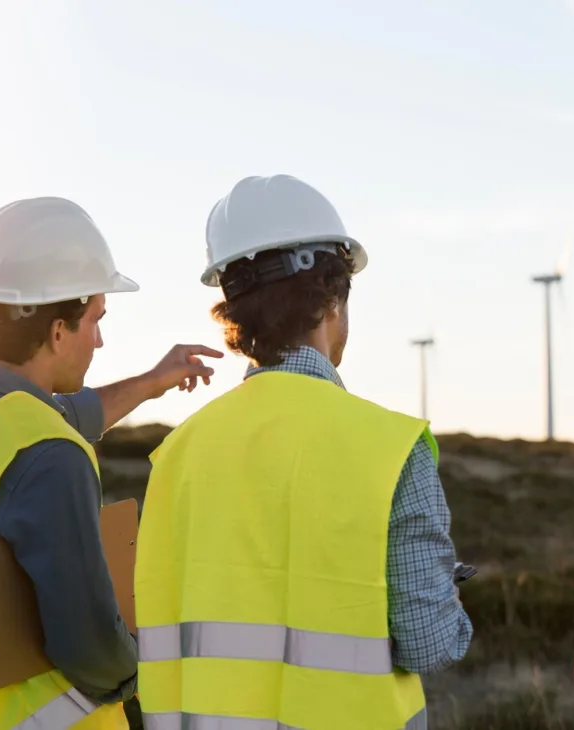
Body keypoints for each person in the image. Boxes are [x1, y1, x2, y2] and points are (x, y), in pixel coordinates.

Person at [134, 175, 473, 730]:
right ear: (332, 299)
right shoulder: (390, 450)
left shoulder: (177, 455)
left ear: (234, 314)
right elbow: (429, 644)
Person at [0, 197, 223, 730]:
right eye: (95, 320)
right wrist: (144, 665)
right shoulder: (50, 457)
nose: (101, 339)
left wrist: (151, 383)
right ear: (58, 330)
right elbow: (91, 647)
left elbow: (67, 414)